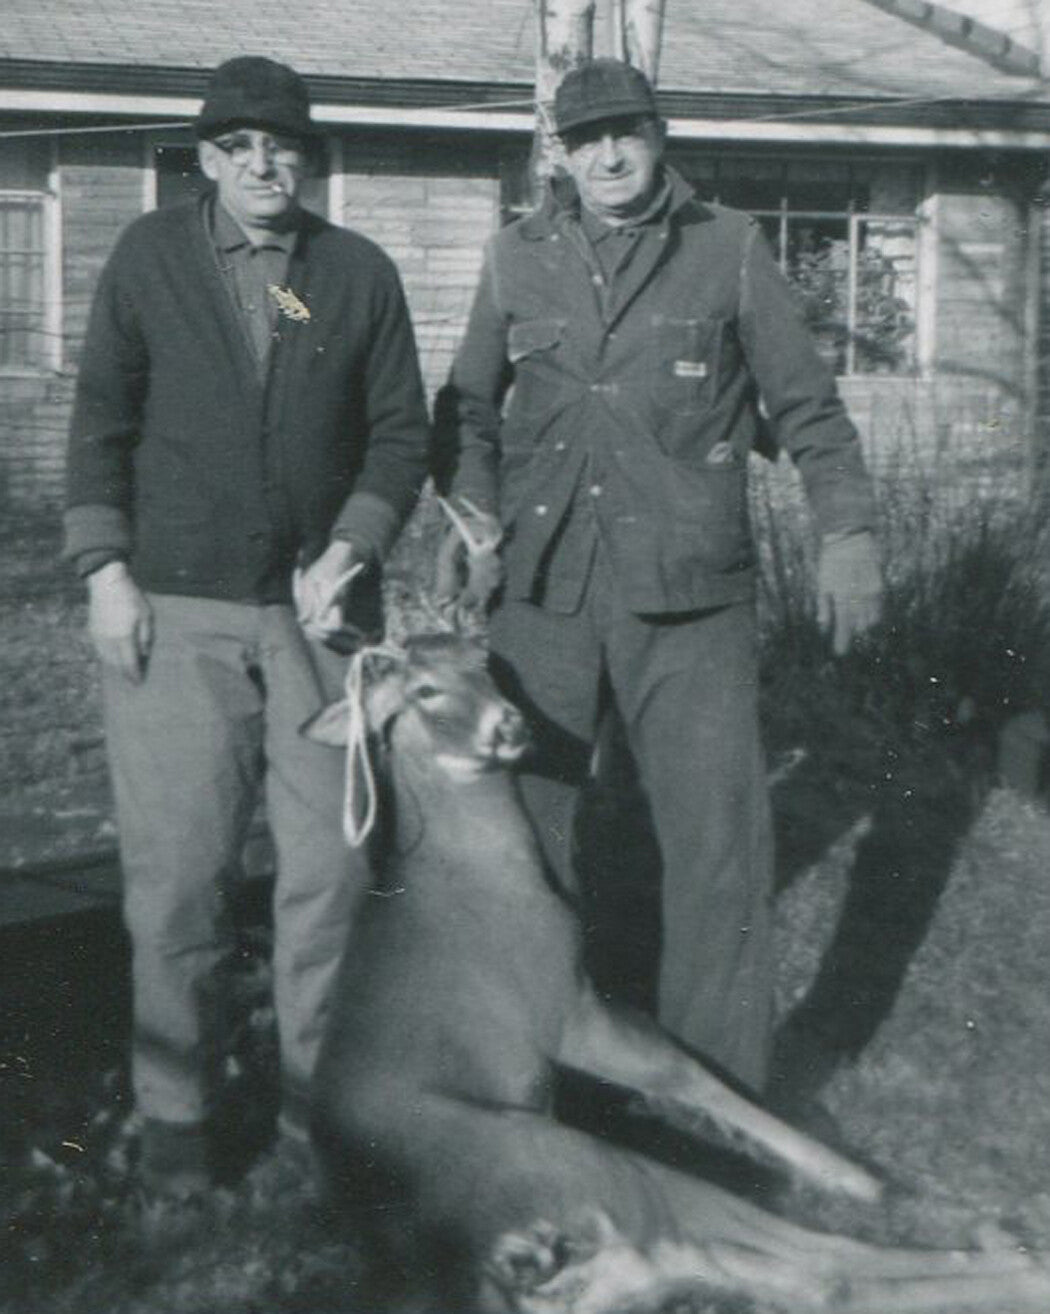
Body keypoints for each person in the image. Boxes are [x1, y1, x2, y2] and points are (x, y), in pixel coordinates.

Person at [434, 59, 882, 1095]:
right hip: (543, 589)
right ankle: (528, 1070)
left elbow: (808, 408)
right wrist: (470, 515)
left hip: (692, 594)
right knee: (529, 833)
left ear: (657, 136)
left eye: (625, 133)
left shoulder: (728, 248)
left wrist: (849, 532)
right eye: (586, 139)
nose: (609, 156)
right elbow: (467, 410)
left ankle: (714, 1094)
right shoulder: (515, 256)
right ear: (563, 153)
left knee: (716, 843)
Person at [64, 55, 429, 1194]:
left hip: (323, 623)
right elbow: (100, 420)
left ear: (307, 158)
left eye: (283, 146)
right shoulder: (149, 259)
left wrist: (353, 546)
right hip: (176, 612)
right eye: (240, 147)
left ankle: (321, 1123)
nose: (264, 165)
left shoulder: (350, 273)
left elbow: (400, 435)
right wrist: (104, 572)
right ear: (208, 159)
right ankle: (179, 1132)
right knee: (178, 883)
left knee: (330, 879)